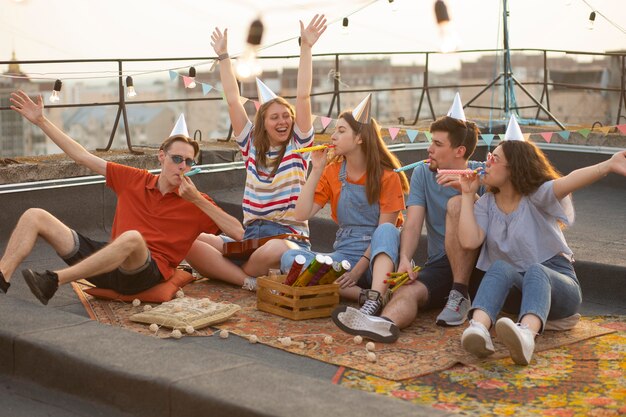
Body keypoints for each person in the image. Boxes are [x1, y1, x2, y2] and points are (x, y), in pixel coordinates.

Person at [0, 91, 243, 303]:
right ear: (162, 157)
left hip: (144, 273)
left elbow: (238, 233)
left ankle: (53, 281)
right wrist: (42, 121)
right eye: (176, 158)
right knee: (35, 216)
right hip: (108, 263)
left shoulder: (196, 200)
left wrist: (197, 200)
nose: (182, 165)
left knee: (132, 238)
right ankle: (2, 277)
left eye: (188, 162)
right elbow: (83, 157)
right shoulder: (135, 178)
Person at [458, 124, 626, 365]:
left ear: (514, 168)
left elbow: (568, 181)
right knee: (498, 267)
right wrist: (466, 195)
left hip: (559, 289)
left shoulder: (536, 196)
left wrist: (607, 165)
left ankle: (526, 336)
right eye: (489, 157)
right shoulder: (486, 203)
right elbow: (469, 241)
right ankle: (478, 329)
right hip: (518, 292)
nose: (486, 162)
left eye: (494, 158)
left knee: (537, 270)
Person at [185, 15, 327, 291]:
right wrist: (224, 56)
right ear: (262, 122)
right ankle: (247, 278)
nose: (283, 121)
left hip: (286, 237)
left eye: (286, 116)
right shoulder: (250, 145)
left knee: (273, 251)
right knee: (190, 241)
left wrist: (306, 48)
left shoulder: (299, 145)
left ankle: (235, 272)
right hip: (249, 236)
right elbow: (232, 99)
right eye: (274, 117)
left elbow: (303, 96)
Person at [331, 104, 485, 343]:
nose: (429, 149)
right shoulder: (424, 173)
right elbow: (412, 225)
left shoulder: (481, 174)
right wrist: (404, 258)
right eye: (431, 141)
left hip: (481, 261)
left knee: (457, 205)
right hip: (442, 263)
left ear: (459, 151)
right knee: (406, 291)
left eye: (438, 144)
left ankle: (460, 292)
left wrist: (469, 194)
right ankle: (382, 323)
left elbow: (496, 223)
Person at [280, 95, 409, 304]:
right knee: (290, 259)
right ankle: (363, 295)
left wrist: (357, 273)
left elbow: (385, 231)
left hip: (379, 258)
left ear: (360, 138)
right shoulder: (331, 172)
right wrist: (316, 170)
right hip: (345, 256)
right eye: (334, 130)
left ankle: (374, 292)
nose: (333, 137)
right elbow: (301, 214)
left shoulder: (388, 177)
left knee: (386, 231)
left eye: (341, 131)